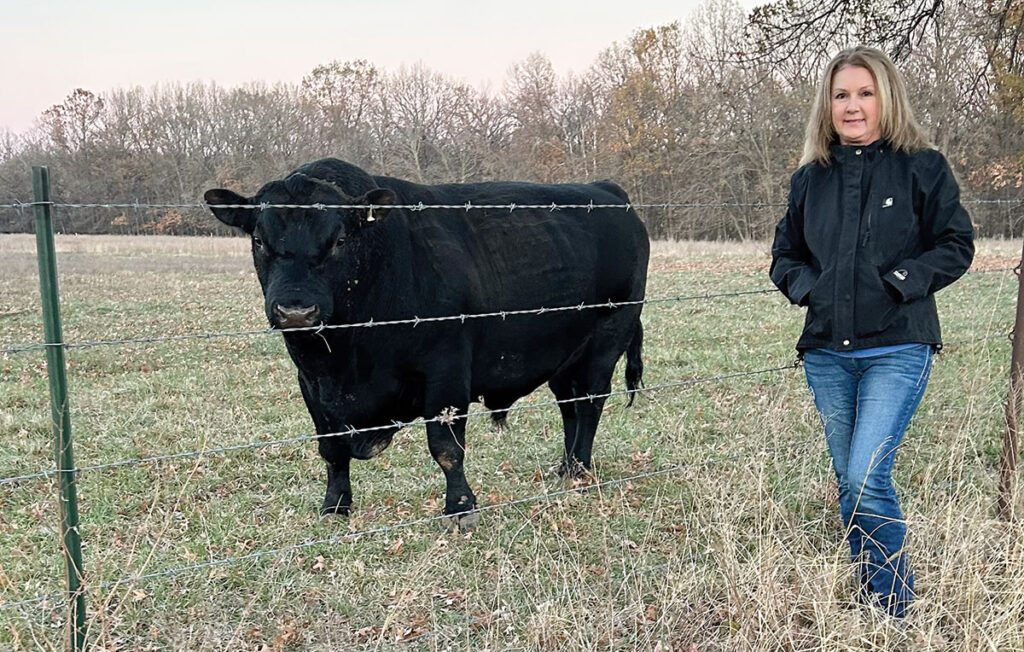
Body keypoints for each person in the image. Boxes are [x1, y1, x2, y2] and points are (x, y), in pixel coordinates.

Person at [770, 45, 975, 617]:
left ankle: (893, 605)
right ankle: (873, 587)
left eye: (865, 93)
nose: (852, 106)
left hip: (898, 345)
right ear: (826, 106)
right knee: (848, 478)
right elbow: (783, 255)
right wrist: (810, 288)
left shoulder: (923, 167)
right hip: (827, 354)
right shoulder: (810, 178)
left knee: (864, 476)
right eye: (841, 95)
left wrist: (900, 281)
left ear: (887, 99)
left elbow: (956, 245)